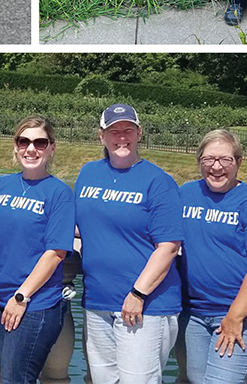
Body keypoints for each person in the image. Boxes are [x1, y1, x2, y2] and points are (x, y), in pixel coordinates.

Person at [74, 104, 182, 384]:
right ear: (102, 136)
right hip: (97, 300)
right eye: (114, 131)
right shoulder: (88, 174)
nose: (121, 137)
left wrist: (138, 293)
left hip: (145, 305)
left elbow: (168, 246)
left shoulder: (158, 182)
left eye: (128, 130)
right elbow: (80, 224)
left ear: (139, 133)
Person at [0, 117, 75, 384]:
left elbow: (56, 253)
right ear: (16, 146)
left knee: (15, 379)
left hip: (35, 304)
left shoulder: (59, 193)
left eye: (40, 142)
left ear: (51, 148)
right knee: (5, 375)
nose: (31, 149)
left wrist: (22, 297)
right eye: (24, 141)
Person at [178, 130, 247, 384]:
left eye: (225, 160)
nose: (216, 167)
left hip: (245, 316)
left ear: (238, 162)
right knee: (196, 379)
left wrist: (235, 317)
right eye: (208, 159)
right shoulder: (185, 195)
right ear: (199, 161)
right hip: (196, 314)